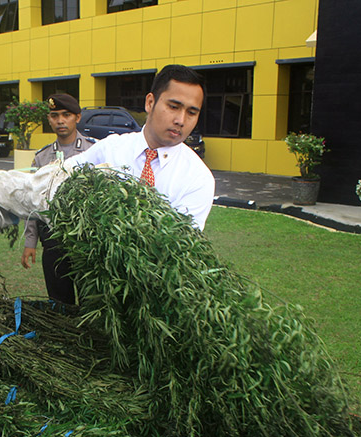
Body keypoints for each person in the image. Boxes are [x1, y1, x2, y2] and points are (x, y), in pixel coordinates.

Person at [70, 64, 215, 231]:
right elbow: (63, 176)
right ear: (150, 102)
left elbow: (177, 245)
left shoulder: (198, 178)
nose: (181, 120)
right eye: (174, 107)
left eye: (191, 113)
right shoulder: (110, 149)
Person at [21, 93, 95, 304]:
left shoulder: (94, 151)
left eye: (66, 115)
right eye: (54, 115)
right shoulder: (42, 157)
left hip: (86, 241)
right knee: (59, 300)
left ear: (77, 117)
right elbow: (33, 201)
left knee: (91, 299)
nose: (60, 120)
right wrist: (30, 241)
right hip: (53, 241)